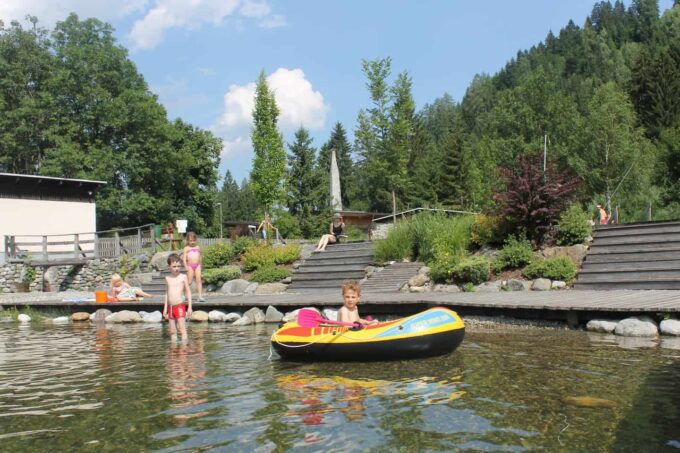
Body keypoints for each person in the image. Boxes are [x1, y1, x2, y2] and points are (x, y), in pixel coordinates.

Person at [163, 253, 193, 342]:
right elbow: (166, 293)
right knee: (172, 331)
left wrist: (190, 307)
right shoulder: (167, 278)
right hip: (171, 307)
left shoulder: (183, 277)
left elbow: (188, 292)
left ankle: (183, 350)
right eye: (174, 266)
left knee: (182, 330)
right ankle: (174, 349)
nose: (177, 268)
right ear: (169, 267)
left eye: (178, 266)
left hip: (179, 306)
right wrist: (165, 308)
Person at [182, 232, 204, 302]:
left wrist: (200, 264)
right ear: (187, 241)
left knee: (199, 280)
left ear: (196, 240)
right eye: (190, 241)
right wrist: (185, 266)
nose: (192, 242)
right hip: (190, 266)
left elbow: (200, 256)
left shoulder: (198, 247)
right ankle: (183, 294)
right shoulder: (186, 248)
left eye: (193, 240)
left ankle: (200, 296)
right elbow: (184, 258)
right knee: (189, 281)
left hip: (197, 266)